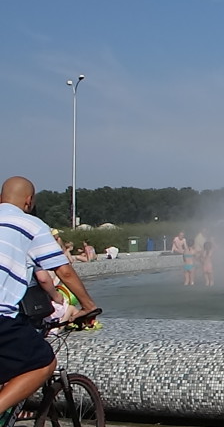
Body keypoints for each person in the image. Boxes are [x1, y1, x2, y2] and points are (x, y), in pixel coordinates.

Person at [0, 176, 99, 420]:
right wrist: (88, 305)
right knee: (44, 363)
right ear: (29, 201)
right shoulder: (30, 225)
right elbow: (63, 271)